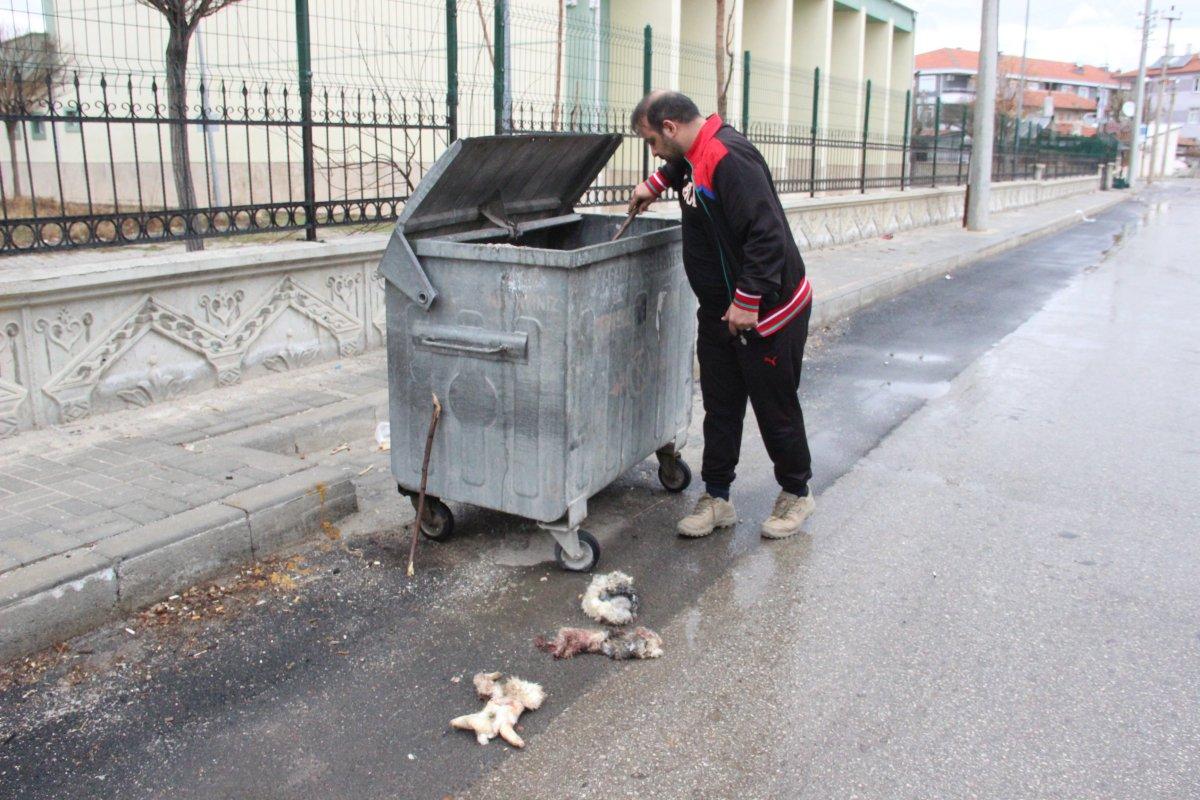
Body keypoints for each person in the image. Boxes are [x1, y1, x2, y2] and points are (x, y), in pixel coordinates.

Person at [628, 90, 815, 540]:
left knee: (776, 408)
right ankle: (717, 498)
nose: (654, 151)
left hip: (768, 313)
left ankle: (796, 493)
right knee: (720, 406)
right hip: (718, 313)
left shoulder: (729, 159)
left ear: (670, 128)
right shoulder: (694, 151)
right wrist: (655, 184)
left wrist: (748, 299)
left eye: (652, 140)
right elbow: (680, 167)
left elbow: (767, 234)